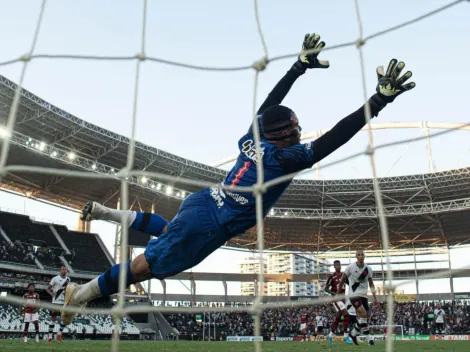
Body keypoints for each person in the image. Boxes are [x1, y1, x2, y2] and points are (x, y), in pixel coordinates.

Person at [61, 33, 415, 325]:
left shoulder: (253, 137)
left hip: (203, 201)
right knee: (143, 268)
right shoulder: (284, 159)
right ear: (283, 137)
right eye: (293, 130)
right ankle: (79, 295)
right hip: (211, 224)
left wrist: (297, 68)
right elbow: (336, 137)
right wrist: (378, 101)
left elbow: (268, 104)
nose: (299, 132)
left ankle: (103, 225)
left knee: (167, 235)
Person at [338, 250, 378, 346]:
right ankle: (370, 340)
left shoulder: (368, 268)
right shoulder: (350, 268)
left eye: (362, 254)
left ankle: (353, 333)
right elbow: (343, 279)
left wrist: (375, 298)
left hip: (364, 296)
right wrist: (338, 292)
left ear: (364, 256)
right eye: (358, 255)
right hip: (354, 295)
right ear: (356, 256)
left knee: (365, 317)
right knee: (363, 313)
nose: (360, 256)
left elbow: (371, 283)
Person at [325, 260, 352, 344]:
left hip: (343, 299)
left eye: (339, 265)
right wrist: (334, 293)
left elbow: (350, 284)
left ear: (340, 266)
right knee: (346, 314)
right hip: (336, 299)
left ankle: (330, 335)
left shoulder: (344, 276)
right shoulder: (331, 277)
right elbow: (326, 289)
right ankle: (346, 336)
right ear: (334, 266)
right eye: (336, 265)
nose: (338, 266)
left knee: (338, 317)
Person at [46, 265, 71, 342]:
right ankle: (50, 337)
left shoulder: (68, 279)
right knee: (53, 318)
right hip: (55, 301)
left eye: (66, 270)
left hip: (64, 302)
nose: (64, 271)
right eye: (63, 269)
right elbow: (47, 288)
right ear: (60, 270)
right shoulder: (55, 278)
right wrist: (51, 294)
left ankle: (59, 334)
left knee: (65, 319)